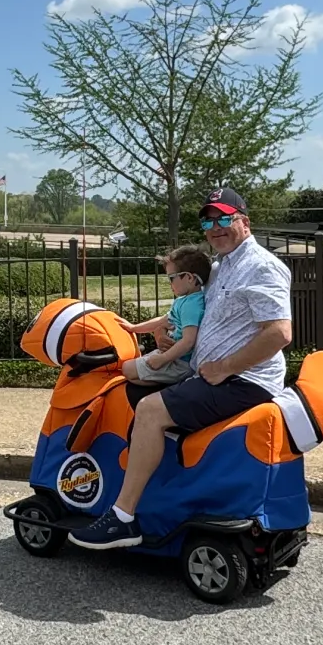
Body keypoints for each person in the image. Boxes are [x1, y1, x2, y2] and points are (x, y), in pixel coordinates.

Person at [73, 189, 292, 549]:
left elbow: (279, 333)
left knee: (149, 410)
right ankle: (160, 498)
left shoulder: (261, 265)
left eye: (224, 218)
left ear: (244, 222)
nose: (215, 227)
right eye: (208, 220)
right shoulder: (222, 266)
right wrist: (169, 338)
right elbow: (207, 320)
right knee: (134, 395)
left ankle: (124, 517)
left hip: (242, 381)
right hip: (215, 375)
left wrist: (224, 367)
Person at [119, 246, 209, 387]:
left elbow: (188, 341)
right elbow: (162, 321)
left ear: (189, 277)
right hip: (172, 357)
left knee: (127, 369)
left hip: (180, 363)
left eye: (171, 278)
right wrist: (133, 328)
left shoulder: (192, 305)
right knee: (128, 368)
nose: (170, 284)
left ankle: (174, 385)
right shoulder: (185, 300)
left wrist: (162, 359)